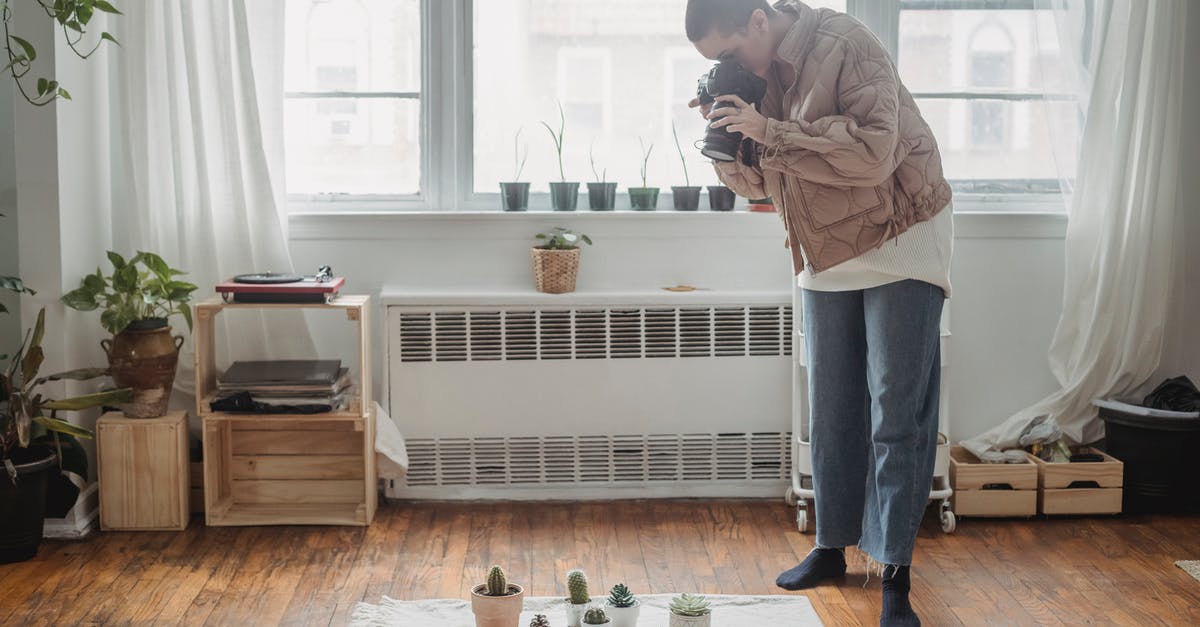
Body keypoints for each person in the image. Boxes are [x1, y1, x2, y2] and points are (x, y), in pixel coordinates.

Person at [685, 1, 954, 626]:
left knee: (896, 408)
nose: (728, 67)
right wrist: (726, 141)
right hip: (825, 241)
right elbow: (761, 185)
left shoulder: (846, 41)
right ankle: (831, 547)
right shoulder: (756, 76)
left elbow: (873, 154)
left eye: (727, 52)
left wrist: (771, 131)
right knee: (831, 400)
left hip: (899, 230)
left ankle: (895, 575)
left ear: (757, 19)